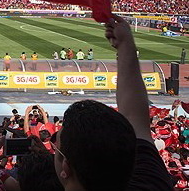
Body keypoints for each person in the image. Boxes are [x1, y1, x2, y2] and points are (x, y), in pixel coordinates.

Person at [53, 15, 172, 190]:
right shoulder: (149, 180)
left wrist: (125, 44)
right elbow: (135, 117)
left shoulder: (151, 181)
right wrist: (125, 45)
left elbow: (135, 120)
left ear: (65, 167)